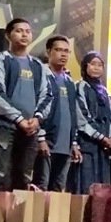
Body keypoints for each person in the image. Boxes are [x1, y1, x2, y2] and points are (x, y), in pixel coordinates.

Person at [0, 18, 52, 190]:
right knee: (0, 176)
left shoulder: (38, 65)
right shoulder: (0, 60)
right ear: (8, 35)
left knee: (24, 178)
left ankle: (19, 209)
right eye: (19, 31)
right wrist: (19, 119)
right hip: (3, 127)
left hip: (30, 130)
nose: (24, 34)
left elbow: (47, 95)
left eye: (28, 31)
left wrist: (37, 118)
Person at [33, 36, 81, 192]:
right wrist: (41, 139)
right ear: (48, 52)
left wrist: (74, 143)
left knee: (58, 190)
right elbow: (35, 108)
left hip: (65, 146)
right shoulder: (41, 76)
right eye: (59, 50)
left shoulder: (69, 82)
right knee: (41, 188)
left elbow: (73, 113)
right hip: (47, 142)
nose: (63, 54)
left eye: (66, 51)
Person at [74, 51, 111, 194]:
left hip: (104, 148)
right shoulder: (81, 86)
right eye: (93, 64)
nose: (96, 68)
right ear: (85, 66)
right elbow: (82, 118)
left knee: (103, 188)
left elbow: (110, 118)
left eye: (100, 65)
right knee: (87, 186)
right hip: (87, 144)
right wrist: (101, 137)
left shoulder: (104, 91)